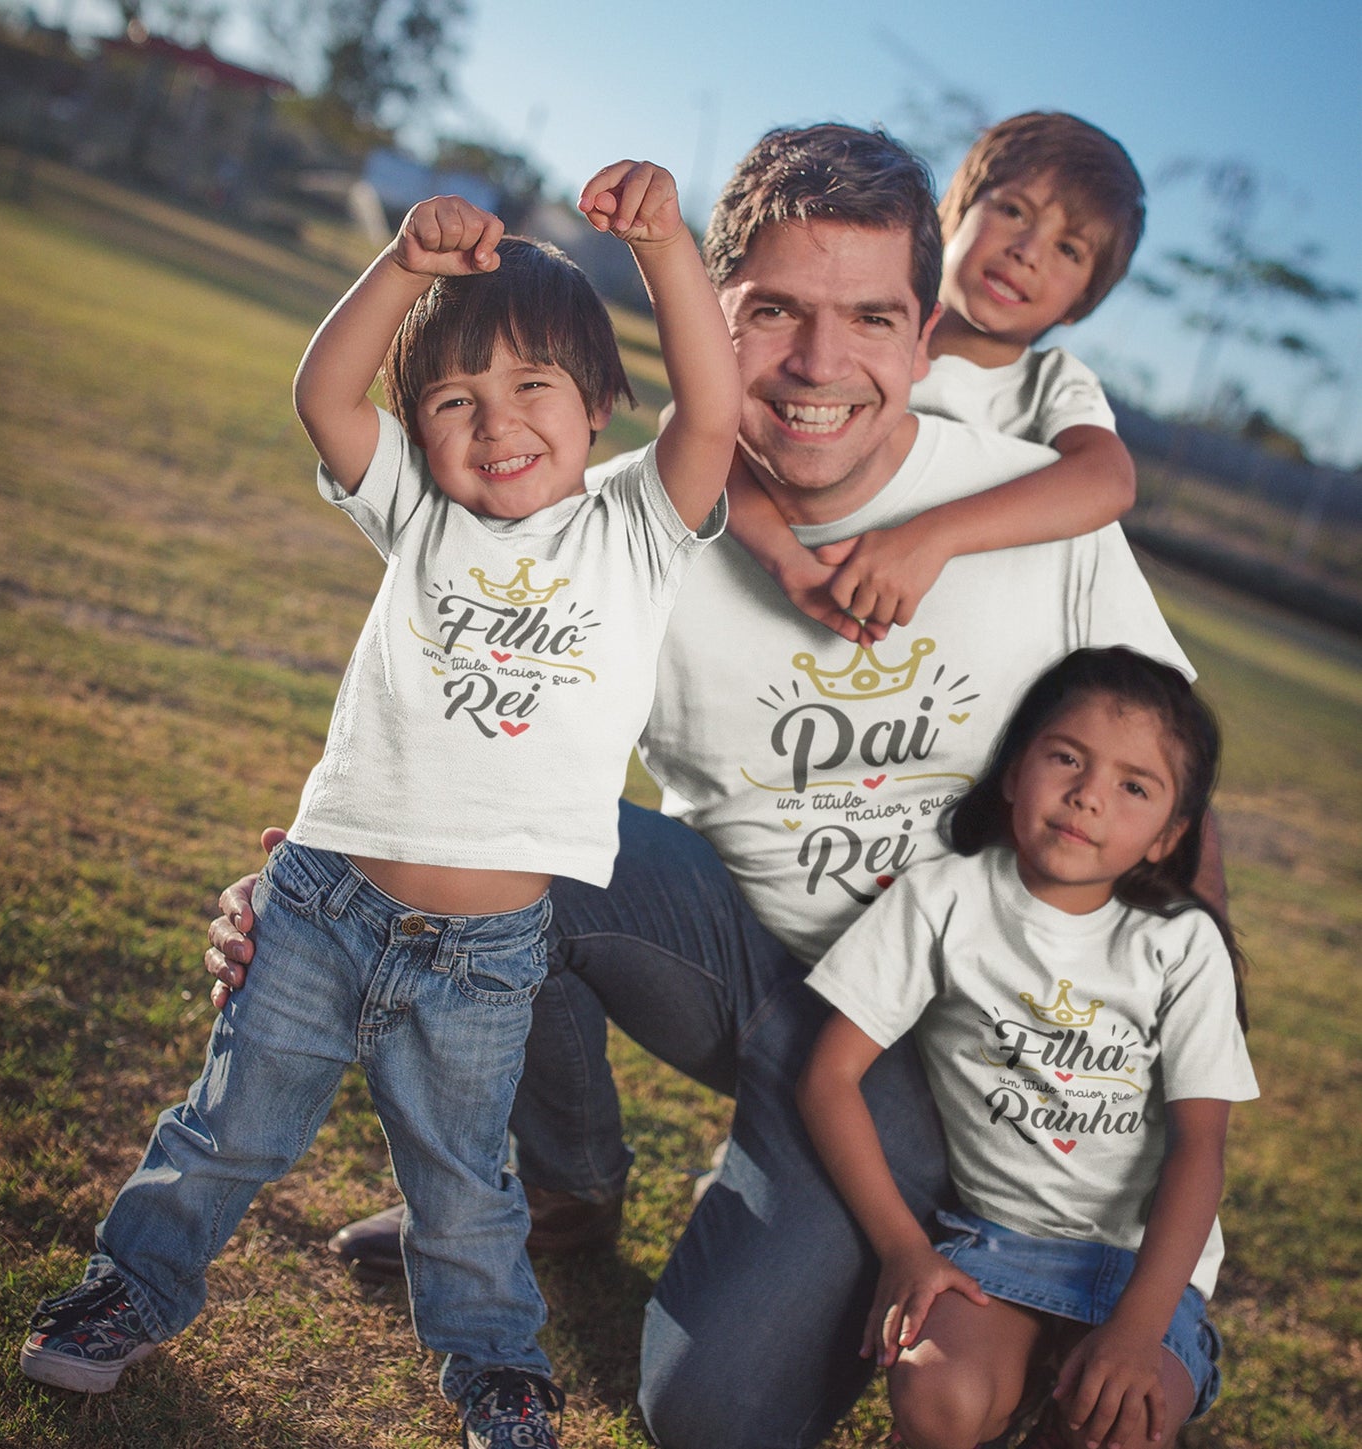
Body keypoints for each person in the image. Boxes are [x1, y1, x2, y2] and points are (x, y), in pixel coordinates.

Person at [208, 124, 1221, 1448]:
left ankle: (943, 1289)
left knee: (713, 1418)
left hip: (922, 1053)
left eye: (869, 317)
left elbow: (1176, 817)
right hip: (738, 952)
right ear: (701, 316)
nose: (817, 362)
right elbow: (450, 738)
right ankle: (564, 1188)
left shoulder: (1039, 516)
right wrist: (307, 883)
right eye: (772, 313)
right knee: (530, 862)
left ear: (926, 339)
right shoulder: (609, 523)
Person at [18, 160, 737, 1449]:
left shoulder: (634, 527)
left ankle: (495, 1373)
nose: (494, 422)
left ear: (599, 406)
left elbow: (713, 410)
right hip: (323, 906)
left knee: (464, 1188)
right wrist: (404, 263)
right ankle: (127, 1291)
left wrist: (669, 250)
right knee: (225, 1129)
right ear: (420, 425)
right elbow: (322, 392)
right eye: (453, 399)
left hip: (486, 953)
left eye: (532, 389)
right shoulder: (420, 511)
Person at [799, 646, 1255, 1449]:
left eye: (1132, 786)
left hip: (1136, 1269)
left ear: (1166, 834)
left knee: (1118, 1423)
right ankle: (1010, 1388)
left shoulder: (1179, 944)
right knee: (941, 1399)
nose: (1087, 794)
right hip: (998, 1242)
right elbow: (829, 1077)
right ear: (1014, 770)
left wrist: (1139, 1328)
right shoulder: (945, 897)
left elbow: (1198, 1147)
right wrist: (904, 1249)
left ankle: (1082, 1394)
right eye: (1066, 757)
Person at [725, 111, 1145, 647]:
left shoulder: (1050, 383)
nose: (1028, 251)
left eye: (1069, 249)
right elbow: (703, 434)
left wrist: (930, 538)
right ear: (954, 212)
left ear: (1081, 304)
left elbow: (1109, 480)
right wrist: (787, 562)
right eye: (1014, 211)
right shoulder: (855, 347)